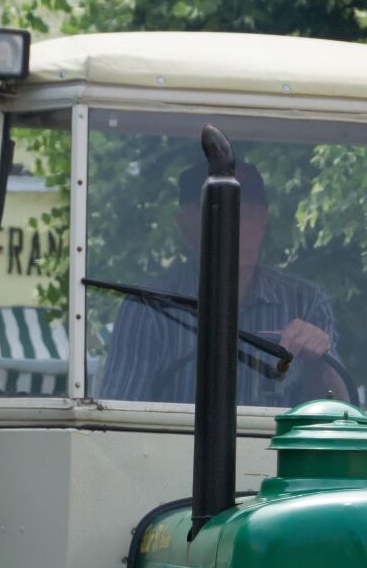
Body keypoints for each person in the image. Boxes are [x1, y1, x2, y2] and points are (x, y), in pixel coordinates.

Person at [96, 158, 335, 404]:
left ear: (264, 221)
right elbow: (118, 416)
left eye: (249, 214)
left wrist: (318, 363)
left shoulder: (306, 302)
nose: (237, 228)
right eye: (221, 214)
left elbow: (336, 417)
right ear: (186, 225)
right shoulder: (147, 308)